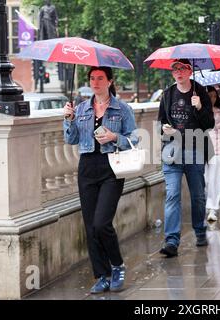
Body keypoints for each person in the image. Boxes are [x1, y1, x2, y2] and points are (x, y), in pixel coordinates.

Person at [63, 66, 138, 294]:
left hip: (111, 167)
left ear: (109, 81)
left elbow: (135, 137)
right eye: (92, 78)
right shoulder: (82, 108)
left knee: (101, 223)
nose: (95, 82)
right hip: (87, 167)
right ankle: (102, 275)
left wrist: (116, 137)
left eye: (100, 78)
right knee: (90, 226)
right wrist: (68, 119)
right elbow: (71, 139)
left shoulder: (121, 108)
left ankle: (117, 265)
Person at [157, 59, 215, 257]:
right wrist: (165, 129)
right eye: (175, 69)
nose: (178, 72)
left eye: (182, 68)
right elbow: (161, 124)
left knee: (197, 195)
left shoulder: (200, 93)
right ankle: (171, 241)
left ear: (190, 71)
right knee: (172, 194)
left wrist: (199, 107)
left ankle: (200, 230)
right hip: (172, 151)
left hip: (195, 149)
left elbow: (209, 124)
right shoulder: (167, 95)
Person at [204, 86, 220, 222]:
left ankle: (212, 208)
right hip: (202, 151)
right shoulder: (199, 110)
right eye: (209, 96)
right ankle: (208, 205)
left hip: (218, 151)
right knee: (206, 181)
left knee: (215, 181)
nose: (211, 99)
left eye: (214, 96)